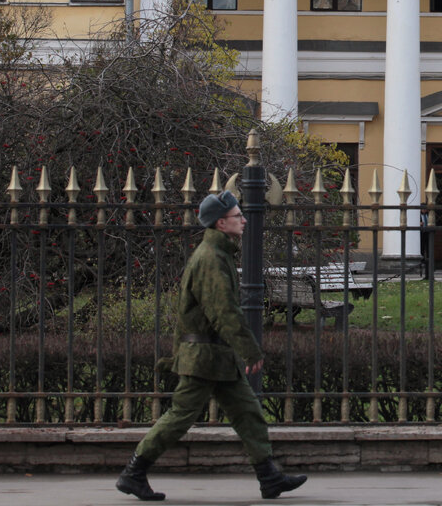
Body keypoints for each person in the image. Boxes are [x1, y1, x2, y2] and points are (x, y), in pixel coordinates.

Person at [116, 190, 307, 501]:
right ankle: (133, 473)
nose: (244, 220)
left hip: (217, 357)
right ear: (221, 223)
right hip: (204, 357)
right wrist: (249, 349)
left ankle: (269, 476)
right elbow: (223, 311)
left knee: (248, 412)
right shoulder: (210, 259)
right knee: (180, 416)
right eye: (237, 216)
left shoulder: (219, 254)